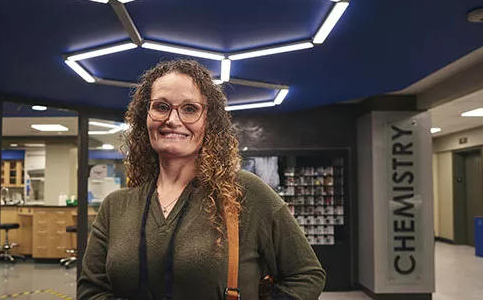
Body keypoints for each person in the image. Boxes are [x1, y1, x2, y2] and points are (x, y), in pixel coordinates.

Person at [78, 59, 325, 299]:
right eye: (161, 107)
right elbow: (91, 290)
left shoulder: (244, 192)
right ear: (146, 116)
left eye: (190, 109)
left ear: (209, 121)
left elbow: (306, 275)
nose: (173, 120)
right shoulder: (116, 206)